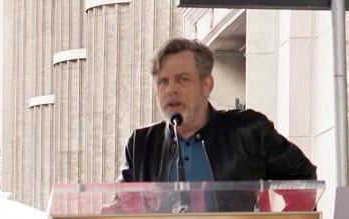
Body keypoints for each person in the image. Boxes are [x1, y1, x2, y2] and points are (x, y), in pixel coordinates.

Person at [120, 38, 316, 184]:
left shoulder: (249, 132)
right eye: (163, 82)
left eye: (182, 79)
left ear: (207, 85)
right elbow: (119, 208)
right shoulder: (141, 145)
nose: (171, 90)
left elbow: (303, 178)